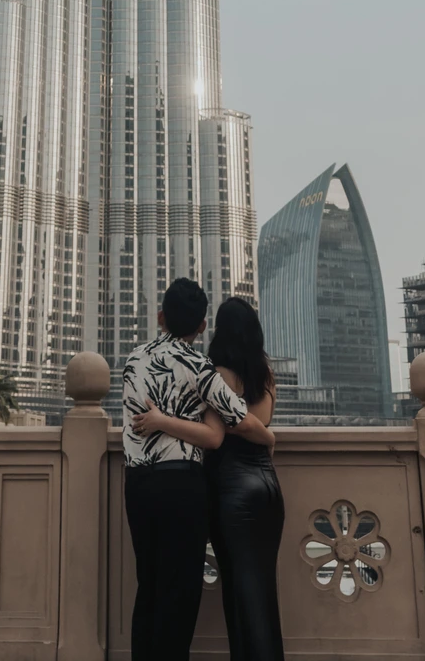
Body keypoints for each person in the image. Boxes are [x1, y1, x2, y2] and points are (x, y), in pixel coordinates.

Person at [122, 278, 275, 661]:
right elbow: (238, 422)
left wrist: (159, 421)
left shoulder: (134, 359)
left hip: (137, 483)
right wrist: (269, 438)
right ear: (203, 326)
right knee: (179, 593)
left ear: (161, 317)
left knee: (148, 585)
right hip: (181, 485)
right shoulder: (200, 366)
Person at [204, 296, 285, 661]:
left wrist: (266, 437)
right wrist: (268, 437)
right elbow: (260, 420)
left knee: (241, 596)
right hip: (267, 486)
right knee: (263, 592)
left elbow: (234, 424)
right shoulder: (266, 374)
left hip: (233, 487)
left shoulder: (219, 374)